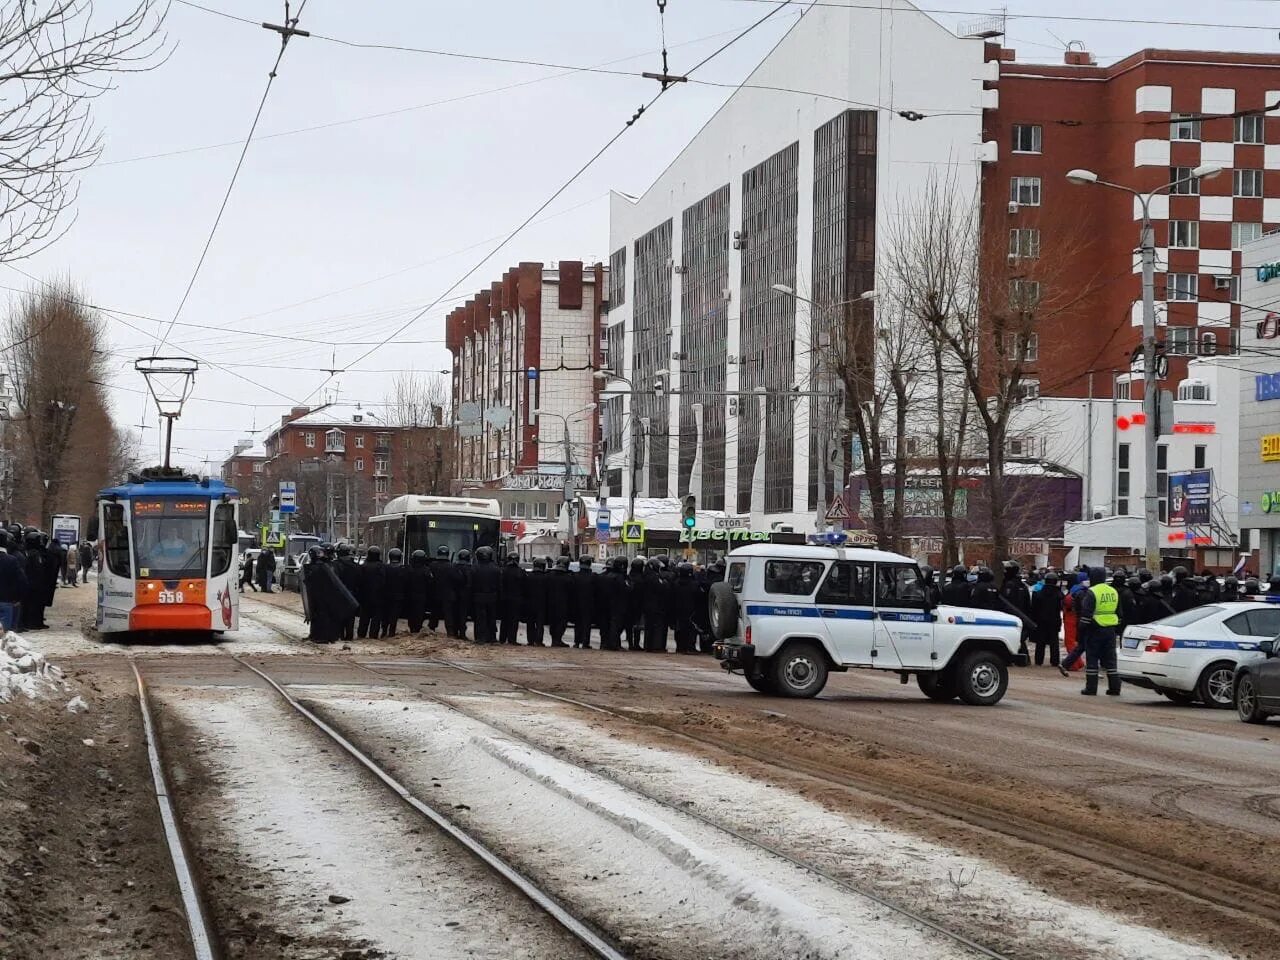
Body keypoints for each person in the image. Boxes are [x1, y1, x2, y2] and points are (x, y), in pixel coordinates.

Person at [1075, 566, 1122, 696]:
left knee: (1092, 659)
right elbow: (1119, 613)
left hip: (1095, 629)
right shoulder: (1113, 591)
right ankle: (1115, 688)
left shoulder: (1092, 592)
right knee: (1111, 660)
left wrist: (1081, 630)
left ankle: (1091, 688)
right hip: (1110, 630)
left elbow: (1086, 614)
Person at [302, 546, 358, 644]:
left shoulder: (326, 566)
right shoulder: (327, 566)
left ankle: (324, 636)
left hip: (323, 597)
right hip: (327, 597)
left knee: (324, 616)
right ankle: (325, 635)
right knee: (326, 616)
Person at [1030, 572, 1063, 666]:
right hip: (1054, 621)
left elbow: (1034, 609)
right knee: (1054, 643)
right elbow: (1060, 608)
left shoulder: (1038, 594)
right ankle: (1055, 661)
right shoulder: (1058, 595)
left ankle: (1038, 660)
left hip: (1041, 621)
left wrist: (1034, 620)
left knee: (1040, 642)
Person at [470, 546, 500, 644]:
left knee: (479, 618)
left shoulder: (474, 568)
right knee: (491, 617)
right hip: (492, 597)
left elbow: (470, 584)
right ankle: (492, 638)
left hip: (478, 597)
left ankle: (480, 638)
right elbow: (500, 584)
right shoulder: (496, 569)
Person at [0, 530, 28, 631]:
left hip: (7, 600)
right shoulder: (12, 560)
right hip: (7, 600)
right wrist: (18, 598)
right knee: (5, 634)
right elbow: (22, 581)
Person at [334, 543, 361, 641]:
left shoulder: (335, 565)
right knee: (350, 618)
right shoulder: (355, 566)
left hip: (339, 596)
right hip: (352, 595)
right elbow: (360, 582)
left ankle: (340, 635)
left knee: (340, 616)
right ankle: (349, 637)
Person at [357, 545, 385, 639]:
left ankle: (361, 635)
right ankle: (373, 636)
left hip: (365, 597)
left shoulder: (363, 566)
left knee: (364, 617)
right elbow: (384, 582)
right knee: (376, 618)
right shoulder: (381, 567)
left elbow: (359, 582)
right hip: (378, 597)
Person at [671, 561, 699, 654]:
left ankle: (680, 647)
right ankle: (690, 647)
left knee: (679, 629)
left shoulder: (676, 583)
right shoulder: (694, 584)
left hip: (677, 609)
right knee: (691, 630)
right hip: (691, 610)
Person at [642, 557, 669, 652]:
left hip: (647, 605)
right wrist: (665, 583)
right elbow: (661, 587)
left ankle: (648, 645)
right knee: (657, 625)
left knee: (648, 626)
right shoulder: (654, 577)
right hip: (655, 605)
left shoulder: (645, 575)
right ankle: (655, 646)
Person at [603, 556, 630, 651]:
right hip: (618, 604)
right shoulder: (619, 577)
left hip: (608, 604)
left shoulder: (609, 575)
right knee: (616, 625)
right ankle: (614, 644)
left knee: (609, 624)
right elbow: (625, 590)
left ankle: (608, 643)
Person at [380, 547, 408, 638]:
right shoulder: (403, 569)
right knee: (394, 615)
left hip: (385, 595)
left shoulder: (385, 568)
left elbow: (382, 581)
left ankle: (384, 631)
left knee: (385, 614)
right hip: (398, 597)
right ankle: (391, 632)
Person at [404, 549, 433, 634]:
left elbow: (404, 582)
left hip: (410, 595)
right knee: (419, 613)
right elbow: (430, 584)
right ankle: (417, 629)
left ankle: (413, 628)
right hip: (421, 596)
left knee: (411, 613)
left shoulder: (408, 569)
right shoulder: (426, 570)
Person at [498, 553, 525, 645]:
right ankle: (512, 639)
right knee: (514, 620)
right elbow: (524, 586)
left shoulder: (503, 570)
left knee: (504, 619)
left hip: (504, 599)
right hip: (516, 599)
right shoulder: (520, 571)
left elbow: (500, 585)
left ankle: (502, 638)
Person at [546, 556, 572, 647]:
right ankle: (557, 640)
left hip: (550, 603)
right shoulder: (568, 577)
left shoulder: (549, 575)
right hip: (563, 603)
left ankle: (555, 640)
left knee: (553, 622)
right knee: (561, 622)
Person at [571, 555, 595, 649]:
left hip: (576, 603)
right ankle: (585, 643)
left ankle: (577, 642)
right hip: (589, 604)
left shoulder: (575, 576)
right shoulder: (593, 577)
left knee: (578, 624)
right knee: (586, 624)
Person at [524, 556, 548, 647]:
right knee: (539, 623)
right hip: (541, 603)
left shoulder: (528, 576)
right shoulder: (546, 578)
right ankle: (538, 641)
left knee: (530, 623)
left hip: (529, 603)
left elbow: (524, 590)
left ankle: (530, 641)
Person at [430, 546, 454, 634]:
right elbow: (458, 579)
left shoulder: (432, 565)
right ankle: (450, 632)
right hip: (448, 595)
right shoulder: (451, 566)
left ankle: (431, 630)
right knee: (448, 615)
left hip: (435, 594)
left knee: (434, 614)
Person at [449, 549, 472, 639]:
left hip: (454, 594)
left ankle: (454, 632)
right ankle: (462, 633)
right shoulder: (469, 568)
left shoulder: (453, 566)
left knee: (454, 614)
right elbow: (470, 583)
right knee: (463, 615)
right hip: (465, 595)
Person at [626, 557, 647, 651]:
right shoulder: (642, 579)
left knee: (629, 625)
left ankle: (631, 643)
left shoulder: (629, 577)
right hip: (639, 604)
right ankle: (636, 644)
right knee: (637, 625)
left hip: (629, 604)